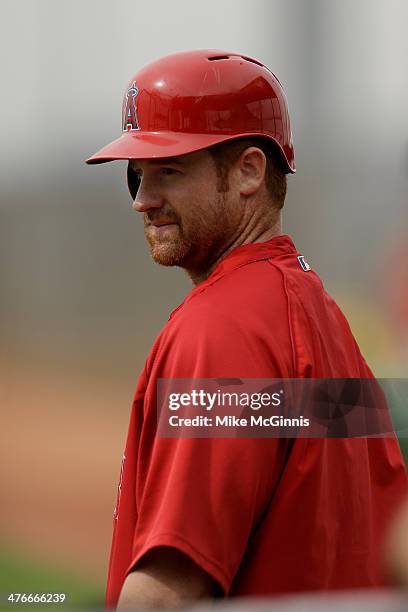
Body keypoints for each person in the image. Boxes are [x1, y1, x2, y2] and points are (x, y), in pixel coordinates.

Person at [86, 49, 408, 609]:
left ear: (249, 172)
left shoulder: (220, 329)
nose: (143, 200)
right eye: (136, 175)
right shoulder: (319, 312)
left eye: (169, 170)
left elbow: (168, 594)